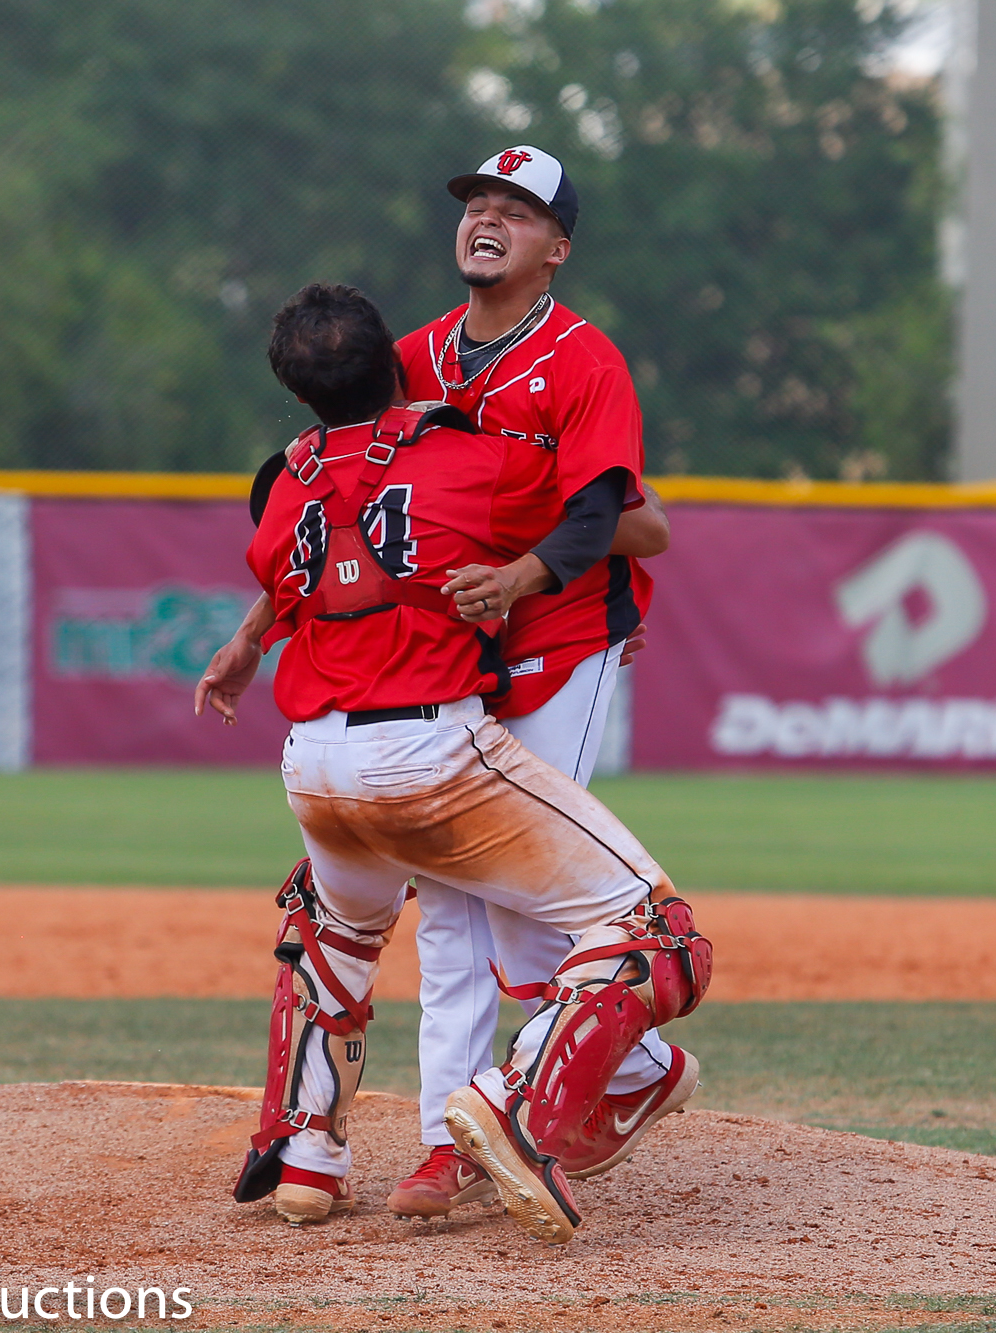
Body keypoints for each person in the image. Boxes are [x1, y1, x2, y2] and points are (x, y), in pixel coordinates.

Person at [197, 283, 710, 1243]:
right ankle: (513, 1102)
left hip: (313, 764)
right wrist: (587, 591)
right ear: (397, 367)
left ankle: (305, 1153)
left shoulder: (288, 478)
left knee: (334, 927)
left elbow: (303, 574)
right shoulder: (467, 459)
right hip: (428, 749)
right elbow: (614, 521)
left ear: (296, 393)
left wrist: (247, 641)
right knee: (658, 934)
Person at [385, 145, 692, 1218]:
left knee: (524, 891)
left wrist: (520, 574)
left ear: (555, 247)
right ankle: (450, 1137)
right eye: (476, 201)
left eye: (515, 210)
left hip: (557, 636)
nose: (487, 218)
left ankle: (589, 1081)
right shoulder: (412, 358)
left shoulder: (583, 360)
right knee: (449, 900)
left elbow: (616, 514)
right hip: (451, 654)